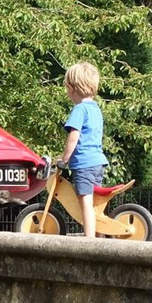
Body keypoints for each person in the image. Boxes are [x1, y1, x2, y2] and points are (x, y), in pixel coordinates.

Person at [59, 61, 110, 238]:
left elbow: (74, 136)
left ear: (71, 88)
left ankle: (89, 241)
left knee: (85, 202)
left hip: (84, 163)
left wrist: (64, 158)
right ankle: (98, 236)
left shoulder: (79, 109)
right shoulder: (96, 109)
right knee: (95, 203)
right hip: (98, 162)